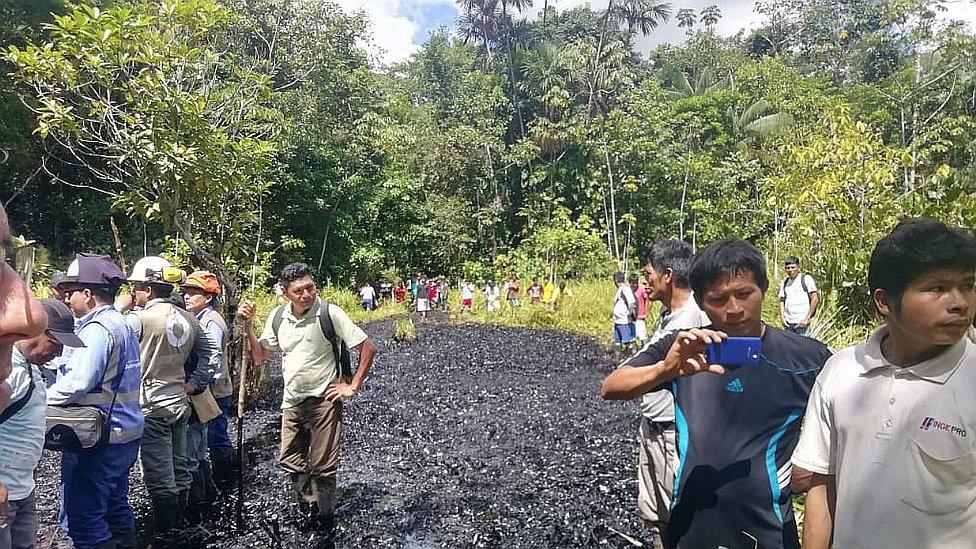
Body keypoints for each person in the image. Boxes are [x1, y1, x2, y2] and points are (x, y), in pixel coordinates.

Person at [601, 240, 832, 549]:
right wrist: (666, 370)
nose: (734, 309)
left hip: (768, 527)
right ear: (700, 300)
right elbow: (612, 387)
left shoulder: (805, 358)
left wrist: (814, 467)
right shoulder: (683, 348)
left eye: (744, 294)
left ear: (763, 288)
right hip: (692, 525)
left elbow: (850, 407)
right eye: (718, 298)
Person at [791, 219, 976, 549]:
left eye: (968, 285)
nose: (959, 302)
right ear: (884, 302)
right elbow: (822, 482)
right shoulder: (842, 372)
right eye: (937, 288)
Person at [238, 263, 378, 548]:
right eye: (298, 290)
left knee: (323, 467)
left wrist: (352, 386)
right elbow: (261, 355)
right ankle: (308, 508)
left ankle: (325, 520)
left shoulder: (329, 313)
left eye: (310, 288)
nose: (306, 295)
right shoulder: (278, 317)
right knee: (290, 461)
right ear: (285, 292)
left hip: (325, 400)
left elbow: (368, 347)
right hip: (292, 401)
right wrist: (249, 326)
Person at [603, 240, 710, 547]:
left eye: (649, 273)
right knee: (656, 517)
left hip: (673, 436)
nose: (645, 279)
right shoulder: (670, 315)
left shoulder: (690, 321)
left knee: (674, 521)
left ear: (669, 275)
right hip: (656, 427)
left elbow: (614, 385)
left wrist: (661, 370)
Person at [119, 256, 219, 539]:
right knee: (180, 465)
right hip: (179, 401)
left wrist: (119, 308)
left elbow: (110, 340)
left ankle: (168, 531)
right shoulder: (189, 317)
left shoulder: (137, 320)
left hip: (151, 404)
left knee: (159, 474)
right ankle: (188, 521)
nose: (133, 293)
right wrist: (196, 383)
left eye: (136, 287)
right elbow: (211, 354)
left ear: (149, 290)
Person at [49, 253, 144, 549]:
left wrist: (39, 399)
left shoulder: (97, 330)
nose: (67, 299)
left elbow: (77, 384)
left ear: (88, 295)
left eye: (70, 293)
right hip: (125, 433)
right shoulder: (121, 322)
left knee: (85, 520)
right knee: (116, 506)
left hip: (100, 439)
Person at [0, 300, 84, 549]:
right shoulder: (8, 370)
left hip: (23, 487)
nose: (57, 354)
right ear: (34, 331)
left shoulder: (31, 367)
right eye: (54, 344)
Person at [182, 271, 235, 509]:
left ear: (208, 297)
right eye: (186, 292)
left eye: (194, 293)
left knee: (216, 438)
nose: (187, 296)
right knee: (210, 439)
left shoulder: (211, 321)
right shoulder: (201, 318)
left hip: (215, 391)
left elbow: (212, 358)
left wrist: (202, 384)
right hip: (211, 389)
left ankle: (225, 482)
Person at [778, 256, 819, 336]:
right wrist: (782, 318)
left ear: (798, 268)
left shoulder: (806, 279)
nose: (790, 270)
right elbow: (781, 300)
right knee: (789, 348)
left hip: (802, 323)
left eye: (793, 267)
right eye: (788, 268)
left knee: (803, 347)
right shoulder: (785, 282)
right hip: (789, 323)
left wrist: (807, 318)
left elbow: (815, 298)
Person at [611, 272, 638, 356]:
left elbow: (632, 302)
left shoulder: (625, 288)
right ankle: (617, 361)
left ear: (615, 280)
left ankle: (631, 360)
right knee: (618, 342)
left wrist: (631, 314)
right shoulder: (620, 289)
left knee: (629, 342)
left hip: (624, 321)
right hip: (618, 321)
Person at [630, 273, 649, 346]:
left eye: (635, 283)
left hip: (640, 317)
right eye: (632, 283)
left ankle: (646, 351)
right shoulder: (628, 290)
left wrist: (646, 311)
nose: (634, 285)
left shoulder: (641, 289)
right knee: (632, 337)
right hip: (631, 317)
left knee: (642, 335)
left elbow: (647, 299)